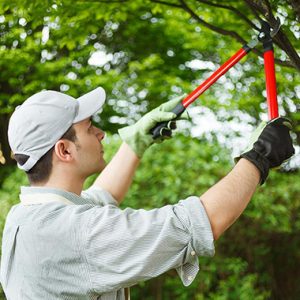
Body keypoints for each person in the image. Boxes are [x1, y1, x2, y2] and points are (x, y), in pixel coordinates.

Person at [0, 87, 294, 299]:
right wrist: (259, 157)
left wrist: (137, 141)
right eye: (90, 128)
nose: (101, 133)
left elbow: (102, 196)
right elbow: (194, 224)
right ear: (64, 150)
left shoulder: (28, 217)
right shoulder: (75, 233)